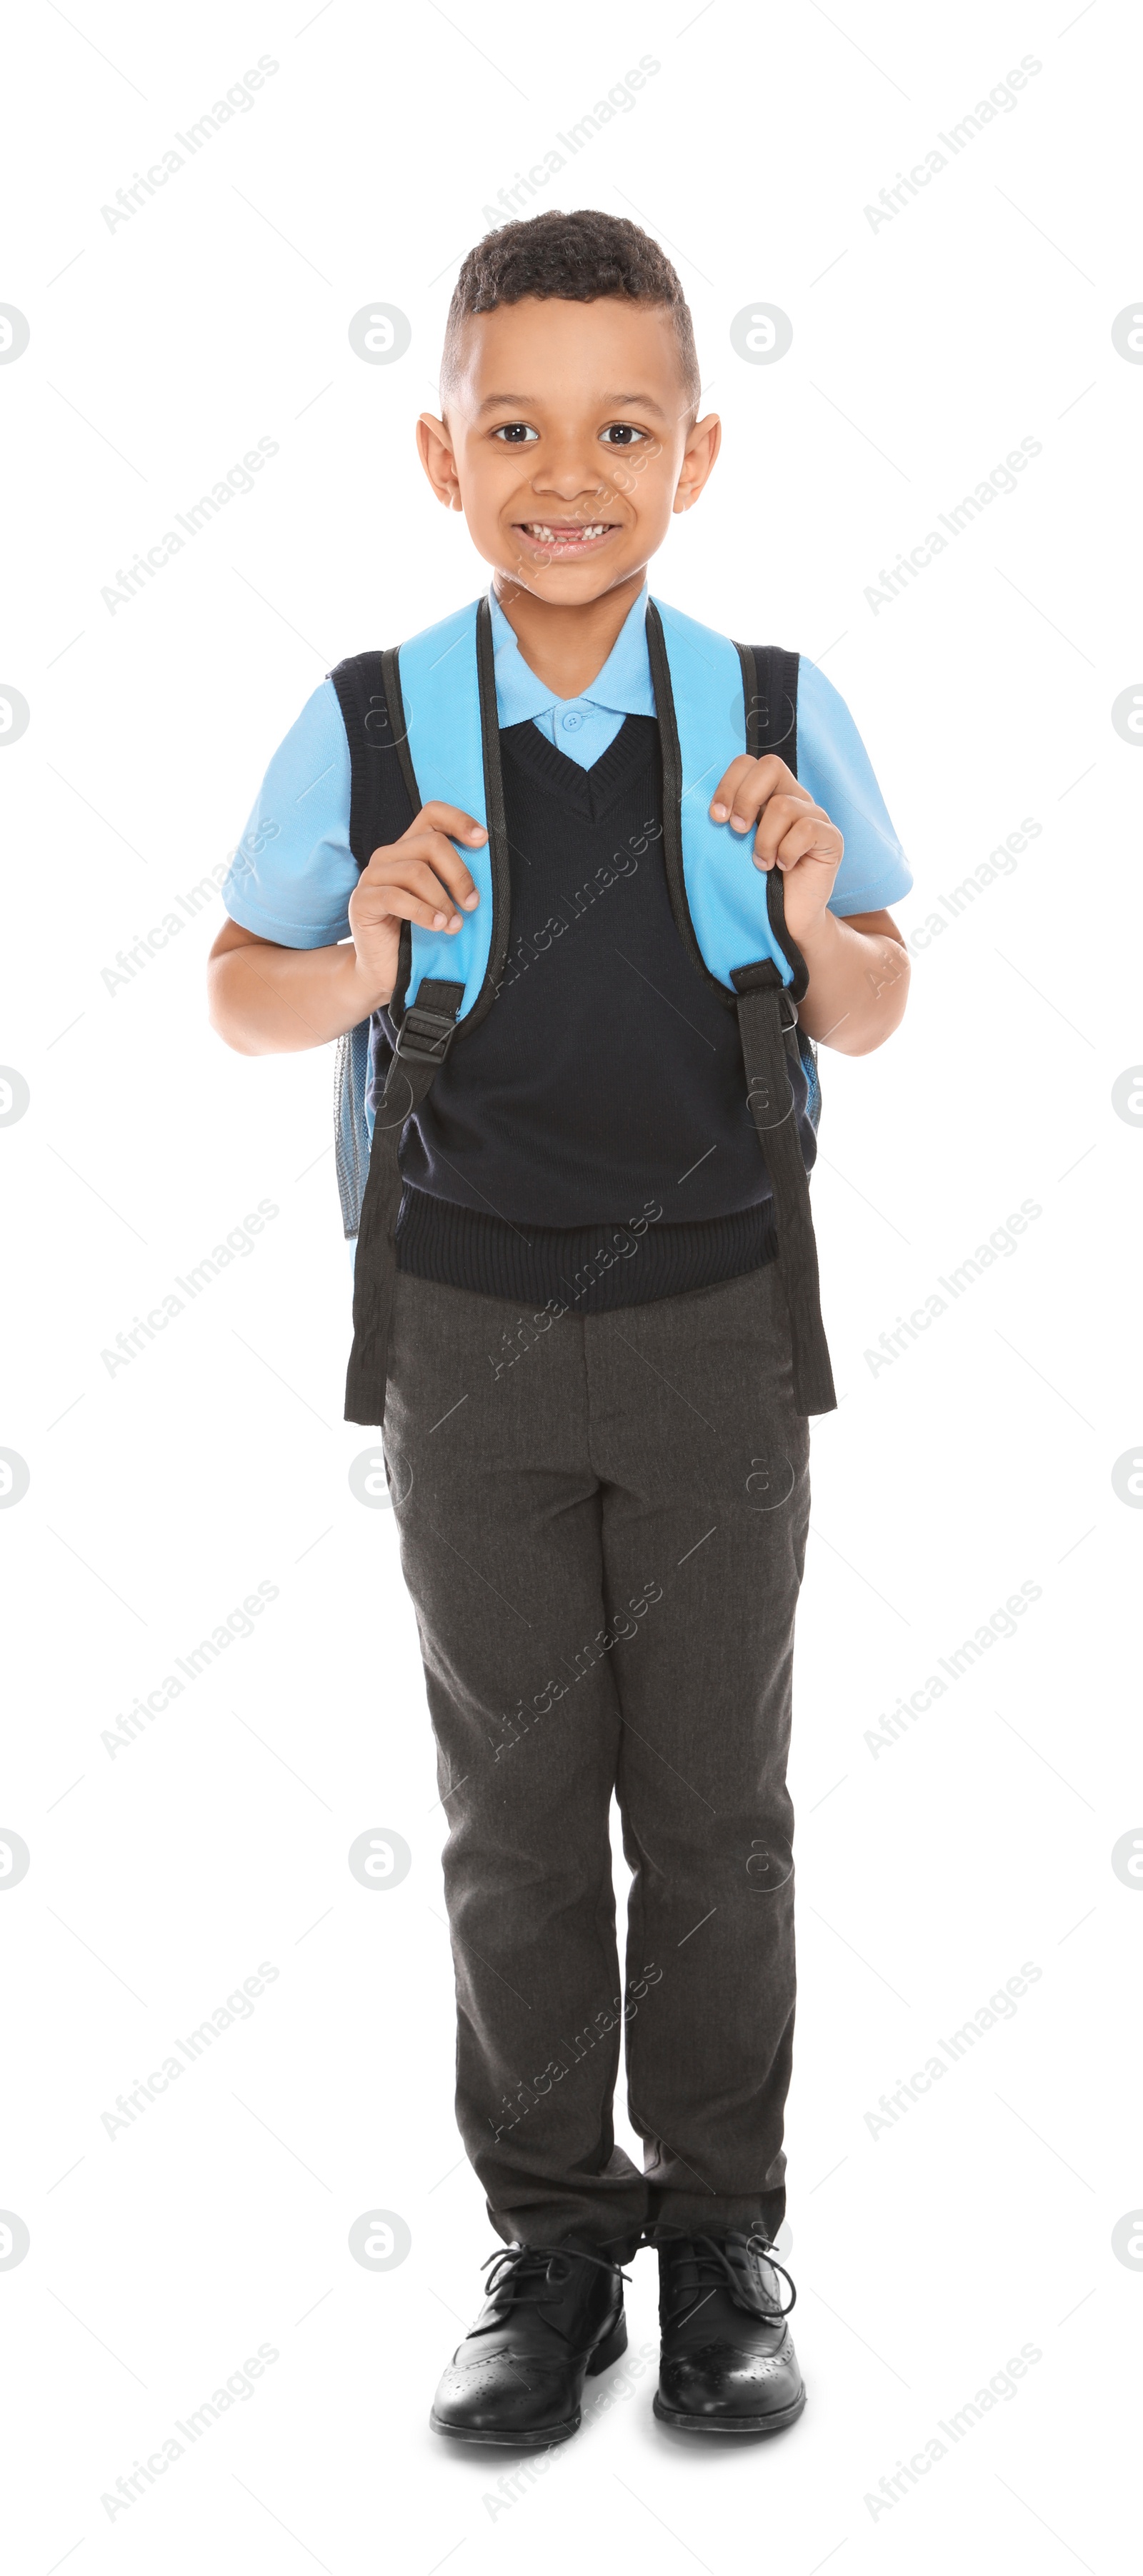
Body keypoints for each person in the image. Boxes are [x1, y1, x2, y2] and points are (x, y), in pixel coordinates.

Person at [208, 208, 912, 2447]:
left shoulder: (778, 716)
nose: (566, 471)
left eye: (623, 426)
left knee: (717, 1811)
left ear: (698, 453)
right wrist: (362, 950)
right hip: (471, 1337)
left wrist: (816, 911)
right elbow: (243, 987)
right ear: (441, 454)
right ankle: (553, 2250)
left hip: (718, 1325)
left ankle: (719, 2240)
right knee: (518, 1812)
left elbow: (877, 1004)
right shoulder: (372, 721)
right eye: (513, 425)